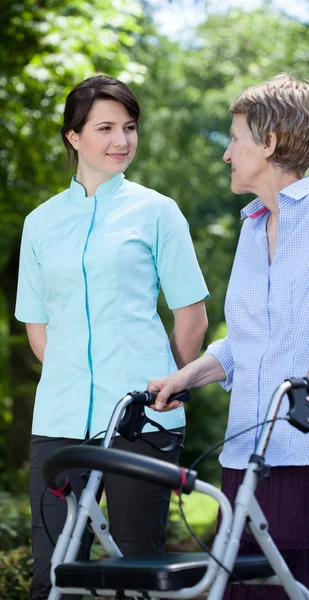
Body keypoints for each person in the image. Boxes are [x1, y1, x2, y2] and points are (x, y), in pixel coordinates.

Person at [147, 73, 309, 599]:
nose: (227, 155)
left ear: (269, 141)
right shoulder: (252, 226)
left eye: (235, 138)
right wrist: (187, 375)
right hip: (249, 457)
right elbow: (246, 343)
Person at [15, 74, 209, 600]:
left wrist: (167, 383)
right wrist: (69, 378)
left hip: (141, 416)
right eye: (105, 128)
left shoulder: (157, 211)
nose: (121, 140)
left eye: (129, 127)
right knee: (53, 576)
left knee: (139, 571)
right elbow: (37, 324)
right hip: (58, 420)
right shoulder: (40, 223)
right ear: (74, 137)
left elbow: (191, 317)